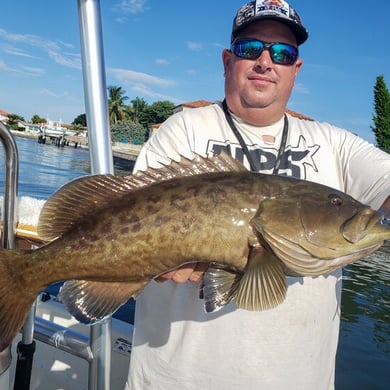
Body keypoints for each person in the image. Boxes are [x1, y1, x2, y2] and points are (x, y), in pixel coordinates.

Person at [125, 1, 390, 389]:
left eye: (283, 53)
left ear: (295, 69)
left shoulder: (336, 143)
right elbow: (132, 220)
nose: (266, 62)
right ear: (227, 60)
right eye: (251, 49)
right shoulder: (182, 131)